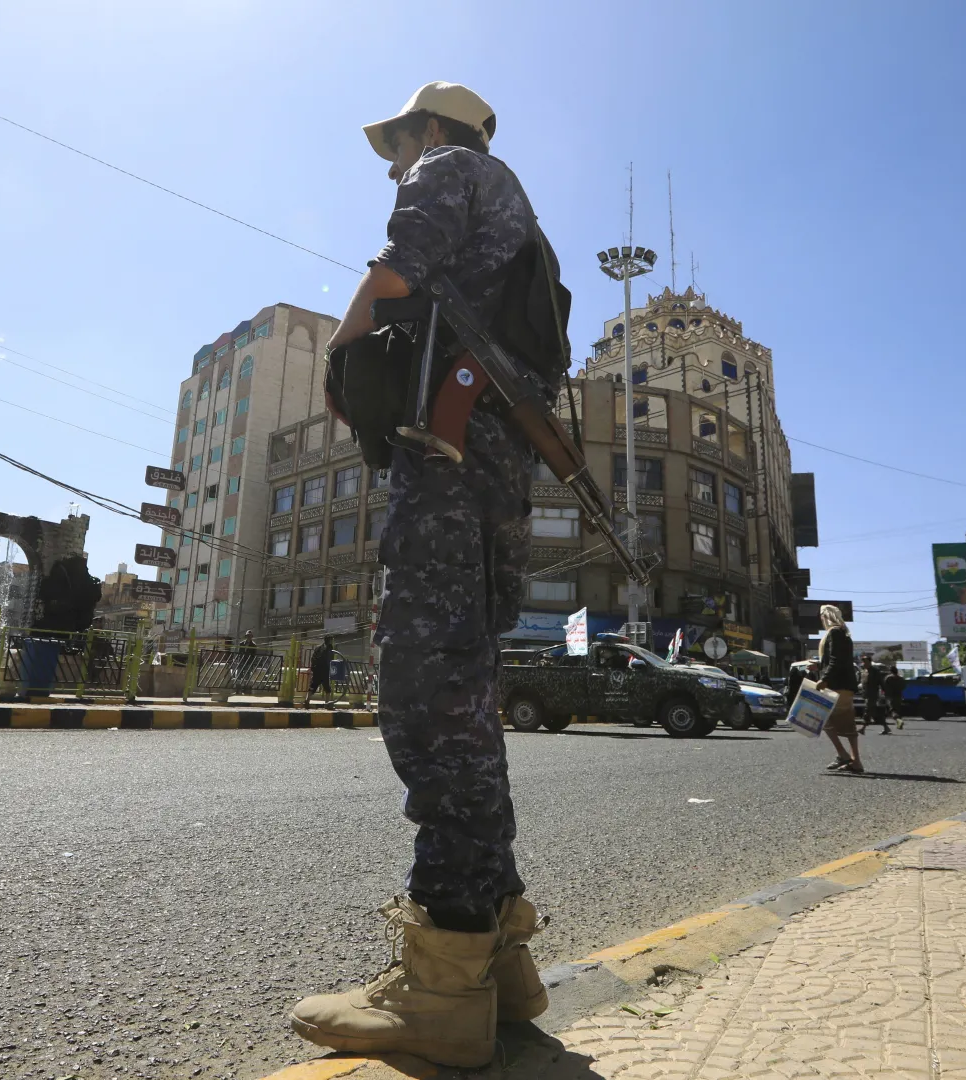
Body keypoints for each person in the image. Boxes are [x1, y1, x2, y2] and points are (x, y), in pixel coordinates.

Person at [290, 82, 555, 1068]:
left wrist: (344, 349)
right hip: (497, 472)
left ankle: (441, 989)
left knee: (428, 702)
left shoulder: (455, 171)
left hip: (444, 464)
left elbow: (400, 270)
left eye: (400, 142)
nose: (397, 161)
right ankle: (499, 963)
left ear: (433, 129)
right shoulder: (522, 219)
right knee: (468, 710)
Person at [815, 605, 863, 774]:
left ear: (826, 617)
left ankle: (843, 755)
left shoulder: (835, 633)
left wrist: (824, 678)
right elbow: (838, 659)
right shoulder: (843, 633)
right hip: (845, 685)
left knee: (824, 719)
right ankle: (855, 761)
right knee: (847, 723)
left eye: (822, 617)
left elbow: (836, 660)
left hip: (837, 685)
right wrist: (819, 666)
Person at [861, 653, 890, 735]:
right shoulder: (864, 671)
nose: (864, 663)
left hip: (873, 694)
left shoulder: (875, 671)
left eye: (865, 661)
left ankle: (863, 728)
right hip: (866, 694)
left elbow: (881, 682)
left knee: (867, 711)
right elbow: (863, 684)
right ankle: (886, 727)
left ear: (869, 662)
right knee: (874, 713)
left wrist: (885, 692)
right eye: (863, 662)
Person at [307, 635, 338, 705]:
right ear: (329, 640)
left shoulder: (318, 648)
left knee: (313, 686)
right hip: (324, 670)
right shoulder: (330, 648)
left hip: (317, 670)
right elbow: (330, 659)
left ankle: (307, 700)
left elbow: (313, 658)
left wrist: (313, 668)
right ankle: (327, 703)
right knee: (327, 688)